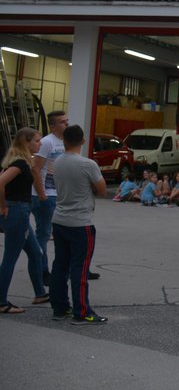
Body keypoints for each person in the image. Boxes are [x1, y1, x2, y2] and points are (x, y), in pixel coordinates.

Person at [49, 124, 108, 324]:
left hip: (59, 218)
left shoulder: (57, 162)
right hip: (80, 223)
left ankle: (59, 307)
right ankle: (82, 311)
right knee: (80, 268)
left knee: (60, 265)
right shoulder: (87, 164)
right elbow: (102, 190)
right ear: (82, 141)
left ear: (64, 141)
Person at [0, 128, 49, 314]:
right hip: (16, 211)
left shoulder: (20, 161)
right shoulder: (19, 163)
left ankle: (40, 293)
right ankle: (1, 301)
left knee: (36, 252)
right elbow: (0, 183)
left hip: (20, 211)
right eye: (37, 140)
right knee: (10, 258)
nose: (40, 143)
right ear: (26, 142)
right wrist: (3, 205)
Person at [31, 110, 68, 284]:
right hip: (46, 195)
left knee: (61, 233)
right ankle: (42, 270)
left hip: (59, 195)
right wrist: (42, 195)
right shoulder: (46, 142)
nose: (66, 124)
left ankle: (64, 268)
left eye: (67, 121)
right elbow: (36, 169)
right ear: (53, 126)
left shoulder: (65, 142)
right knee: (43, 234)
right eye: (62, 122)